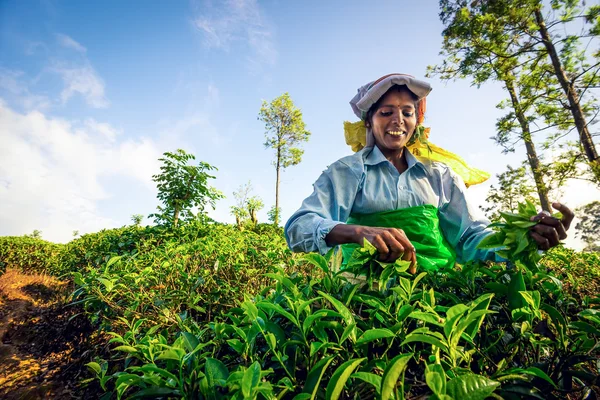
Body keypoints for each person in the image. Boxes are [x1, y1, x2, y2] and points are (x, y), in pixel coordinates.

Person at [284, 73, 574, 273]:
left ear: (416, 122)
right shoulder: (347, 172)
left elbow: (470, 236)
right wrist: (357, 232)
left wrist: (523, 237)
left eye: (407, 112)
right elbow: (298, 228)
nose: (397, 120)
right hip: (364, 292)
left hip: (438, 288)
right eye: (386, 112)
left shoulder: (439, 176)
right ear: (369, 123)